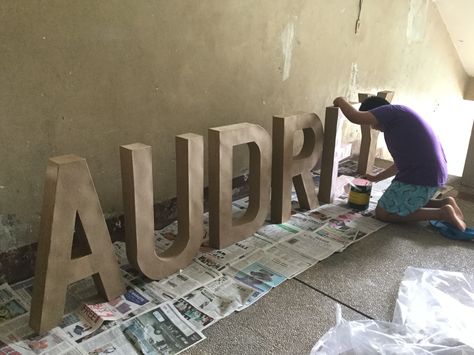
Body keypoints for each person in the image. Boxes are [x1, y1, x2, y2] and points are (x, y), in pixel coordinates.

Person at [333, 96, 465, 231]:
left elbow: (356, 117)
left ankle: (441, 213)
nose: (372, 127)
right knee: (403, 201)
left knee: (383, 213)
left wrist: (340, 101)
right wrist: (375, 178)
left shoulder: (390, 111)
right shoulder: (397, 123)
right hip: (431, 174)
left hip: (422, 176)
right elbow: (399, 164)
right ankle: (443, 203)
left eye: (371, 122)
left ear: (377, 111)